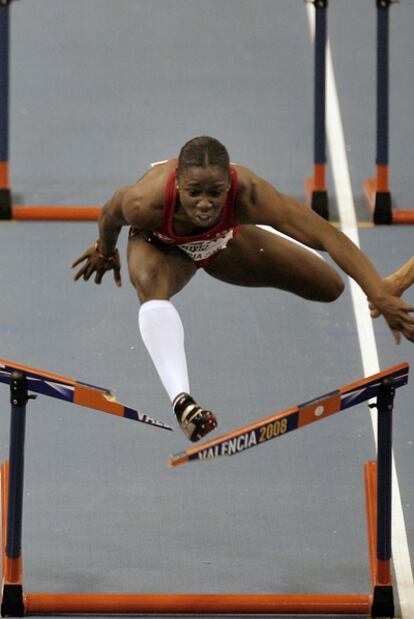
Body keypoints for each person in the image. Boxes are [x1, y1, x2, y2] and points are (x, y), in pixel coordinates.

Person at [71, 136, 414, 442]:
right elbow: (111, 212)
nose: (204, 204)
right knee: (148, 284)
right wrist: (105, 251)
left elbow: (327, 235)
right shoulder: (145, 202)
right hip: (163, 248)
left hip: (222, 244)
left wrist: (378, 292)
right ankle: (183, 401)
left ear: (228, 185)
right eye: (194, 193)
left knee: (329, 287)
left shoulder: (249, 192)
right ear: (177, 184)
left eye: (215, 193)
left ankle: (259, 230)